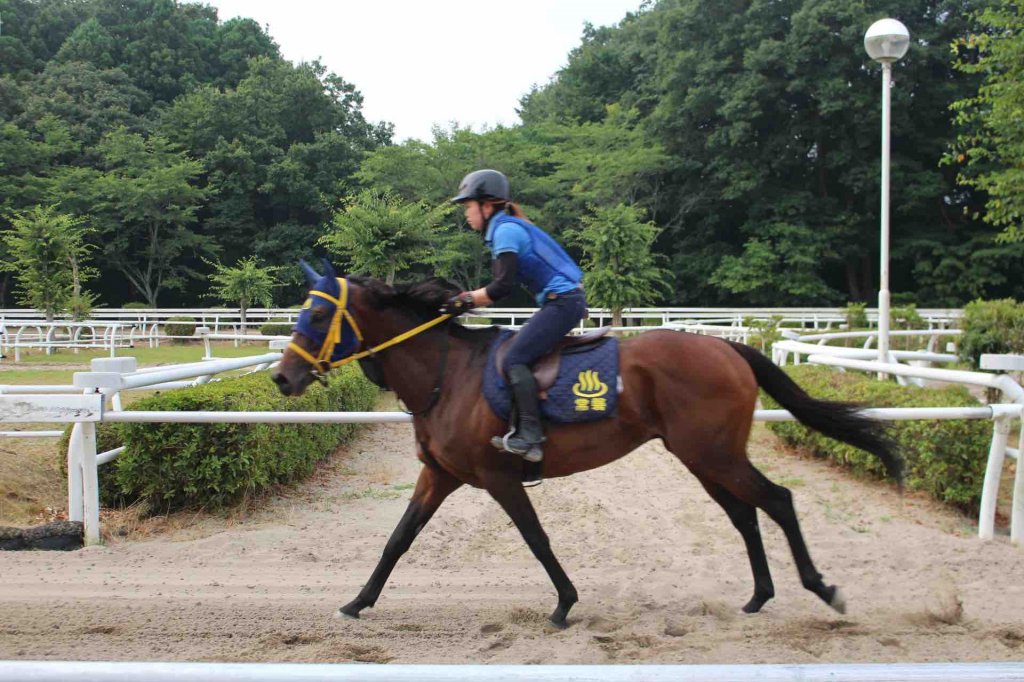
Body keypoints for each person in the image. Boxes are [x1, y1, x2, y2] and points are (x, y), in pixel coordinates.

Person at [443, 169, 587, 463]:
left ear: (487, 205)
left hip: (562, 302)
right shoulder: (505, 227)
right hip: (561, 301)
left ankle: (531, 437)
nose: (466, 214)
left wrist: (464, 301)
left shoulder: (505, 231)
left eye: (469, 206)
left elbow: (501, 287)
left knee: (514, 358)